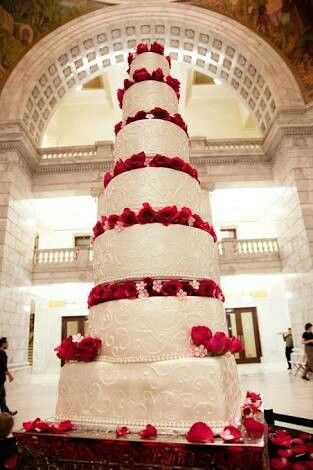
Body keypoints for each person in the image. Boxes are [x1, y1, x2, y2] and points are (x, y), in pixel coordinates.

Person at [0, 339, 16, 416]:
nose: (8, 344)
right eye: (7, 343)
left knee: (2, 396)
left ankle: (6, 413)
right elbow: (3, 367)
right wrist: (10, 375)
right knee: (1, 396)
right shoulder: (2, 353)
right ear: (3, 344)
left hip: (1, 379)